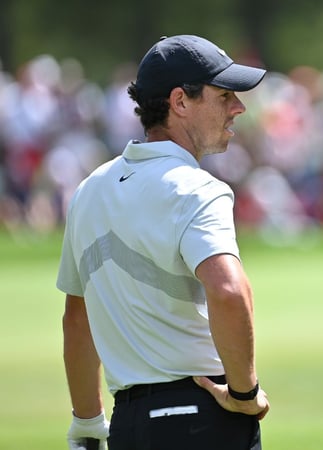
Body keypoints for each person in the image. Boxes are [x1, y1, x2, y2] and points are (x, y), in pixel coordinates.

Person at [57, 34, 270, 450]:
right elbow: (228, 290)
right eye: (224, 95)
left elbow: (77, 320)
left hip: (129, 427)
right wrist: (244, 393)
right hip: (206, 420)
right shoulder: (198, 189)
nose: (238, 108)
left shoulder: (88, 190)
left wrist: (87, 421)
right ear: (180, 102)